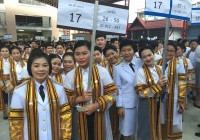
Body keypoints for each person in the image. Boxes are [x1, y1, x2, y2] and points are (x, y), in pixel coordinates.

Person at [9, 48, 72, 140]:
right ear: (30, 68)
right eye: (36, 66)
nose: (41, 69)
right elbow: (15, 121)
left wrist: (65, 137)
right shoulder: (19, 91)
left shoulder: (59, 88)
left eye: (45, 65)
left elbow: (65, 115)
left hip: (53, 136)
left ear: (49, 67)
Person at [64, 40, 118, 140]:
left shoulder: (102, 71)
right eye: (77, 54)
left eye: (84, 53)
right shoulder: (70, 75)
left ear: (91, 53)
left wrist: (96, 105)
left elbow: (113, 93)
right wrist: (80, 99)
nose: (81, 57)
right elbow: (65, 99)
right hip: (78, 117)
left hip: (99, 114)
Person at [135, 46, 167, 140]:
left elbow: (166, 86)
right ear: (141, 59)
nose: (148, 58)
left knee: (158, 125)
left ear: (154, 54)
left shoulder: (161, 68)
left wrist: (165, 85)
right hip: (146, 104)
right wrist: (158, 85)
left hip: (160, 102)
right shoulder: (140, 72)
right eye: (144, 57)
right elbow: (141, 92)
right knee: (146, 127)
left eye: (149, 55)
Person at [114, 39, 142, 140]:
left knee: (140, 129)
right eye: (123, 50)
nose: (126, 53)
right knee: (126, 132)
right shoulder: (117, 68)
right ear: (120, 52)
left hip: (142, 101)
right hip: (127, 105)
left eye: (129, 50)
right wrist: (119, 106)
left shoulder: (141, 62)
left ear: (134, 50)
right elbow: (118, 88)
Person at [161, 42, 186, 139]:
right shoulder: (159, 62)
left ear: (175, 53)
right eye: (167, 50)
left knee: (173, 123)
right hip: (161, 98)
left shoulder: (179, 64)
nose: (169, 53)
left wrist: (181, 100)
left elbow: (182, 83)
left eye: (172, 51)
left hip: (174, 98)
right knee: (161, 121)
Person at [0, 44, 12, 119]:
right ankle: (5, 113)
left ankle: (12, 111)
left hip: (11, 80)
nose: (4, 52)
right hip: (1, 81)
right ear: (0, 52)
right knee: (4, 97)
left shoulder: (12, 60)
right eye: (3, 51)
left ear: (9, 52)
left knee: (11, 96)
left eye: (6, 51)